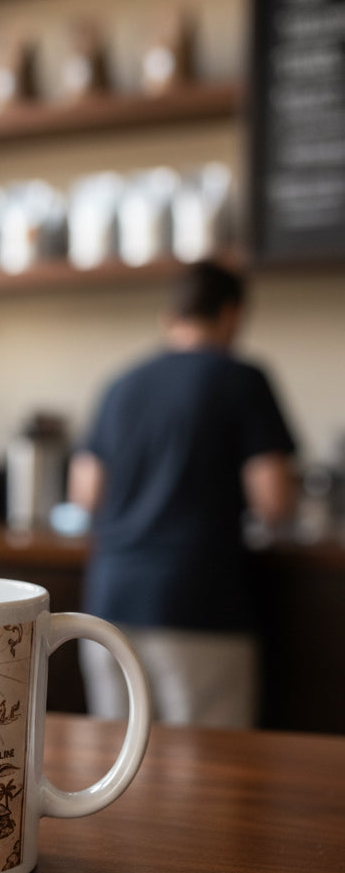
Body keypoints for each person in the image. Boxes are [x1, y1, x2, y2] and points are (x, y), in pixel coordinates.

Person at [68, 259, 298, 728]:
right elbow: (274, 499)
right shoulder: (241, 378)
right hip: (198, 604)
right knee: (205, 778)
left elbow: (85, 494)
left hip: (109, 605)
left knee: (116, 773)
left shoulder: (121, 385)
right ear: (231, 314)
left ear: (170, 315)